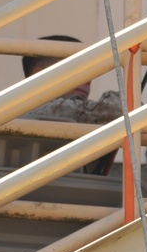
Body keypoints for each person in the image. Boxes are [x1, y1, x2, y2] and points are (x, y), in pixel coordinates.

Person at [22, 35, 120, 174]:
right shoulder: (48, 110)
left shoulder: (12, 110)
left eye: (89, 72)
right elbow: (121, 109)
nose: (88, 79)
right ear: (40, 75)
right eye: (77, 69)